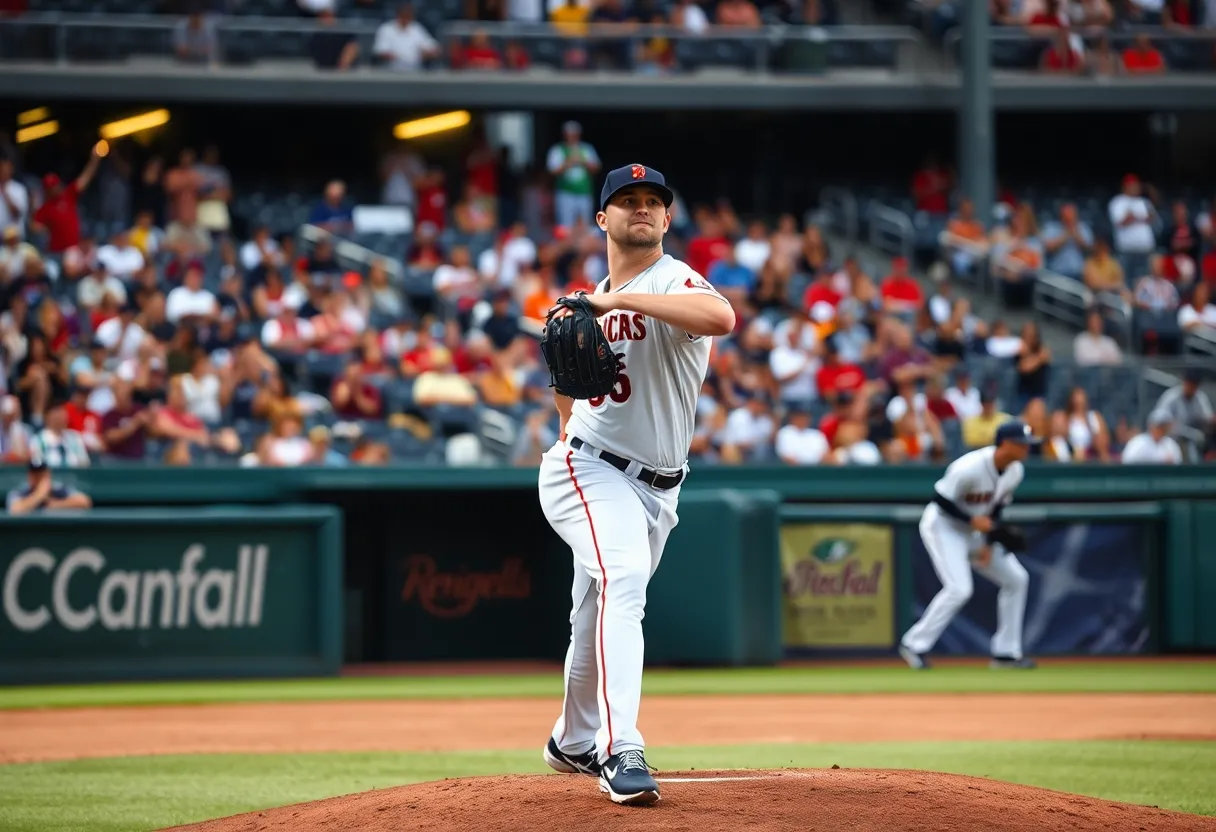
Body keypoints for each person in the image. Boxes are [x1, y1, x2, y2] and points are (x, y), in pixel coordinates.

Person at [537, 163, 734, 806]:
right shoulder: (589, 300)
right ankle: (621, 750)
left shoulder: (671, 279)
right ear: (603, 218)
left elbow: (720, 316)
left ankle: (572, 740)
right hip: (588, 466)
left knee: (594, 610)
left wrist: (615, 299)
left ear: (668, 218)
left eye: (653, 201)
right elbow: (566, 389)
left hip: (660, 487)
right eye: (628, 201)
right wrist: (570, 436)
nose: (642, 209)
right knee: (622, 581)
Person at [899, 420, 1037, 671]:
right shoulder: (969, 467)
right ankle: (914, 644)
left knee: (1017, 578)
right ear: (1005, 444)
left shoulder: (1015, 471)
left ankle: (1006, 653)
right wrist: (972, 520)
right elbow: (940, 500)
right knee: (960, 589)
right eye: (1021, 444)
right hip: (944, 527)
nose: (1027, 449)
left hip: (975, 532)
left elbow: (997, 507)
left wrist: (988, 542)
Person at [6, 456, 92, 515]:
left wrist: (55, 505)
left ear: (48, 474)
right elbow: (14, 510)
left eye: (41, 474)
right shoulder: (21, 491)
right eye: (35, 475)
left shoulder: (58, 488)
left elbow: (85, 502)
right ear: (29, 476)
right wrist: (39, 495)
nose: (38, 478)